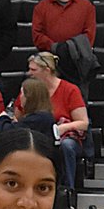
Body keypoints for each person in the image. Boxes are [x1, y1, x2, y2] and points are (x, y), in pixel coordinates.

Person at [13, 51, 88, 191]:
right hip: (35, 135)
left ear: (46, 70)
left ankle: (67, 189)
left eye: (33, 70)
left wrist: (60, 129)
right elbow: (18, 118)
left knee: (66, 146)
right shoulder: (30, 89)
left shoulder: (70, 90)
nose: (29, 73)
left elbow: (83, 122)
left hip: (63, 136)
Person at [31, 0, 95, 54]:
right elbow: (37, 35)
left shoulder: (87, 7)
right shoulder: (41, 7)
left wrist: (70, 48)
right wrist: (55, 47)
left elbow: (88, 37)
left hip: (77, 59)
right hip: (49, 59)